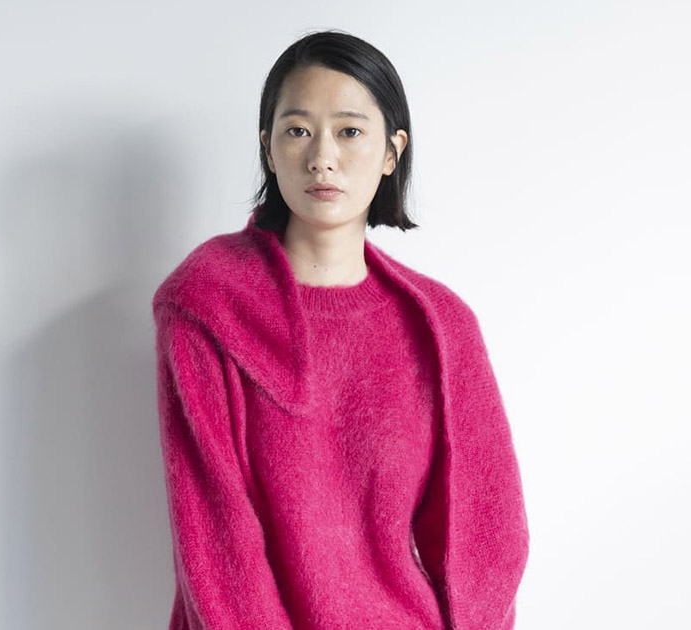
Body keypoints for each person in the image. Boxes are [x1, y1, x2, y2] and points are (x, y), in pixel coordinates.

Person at [152, 29, 530, 630]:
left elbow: (487, 533)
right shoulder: (207, 302)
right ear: (267, 147)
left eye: (350, 131)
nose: (321, 156)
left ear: (392, 151)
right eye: (297, 130)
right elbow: (216, 541)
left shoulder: (441, 325)